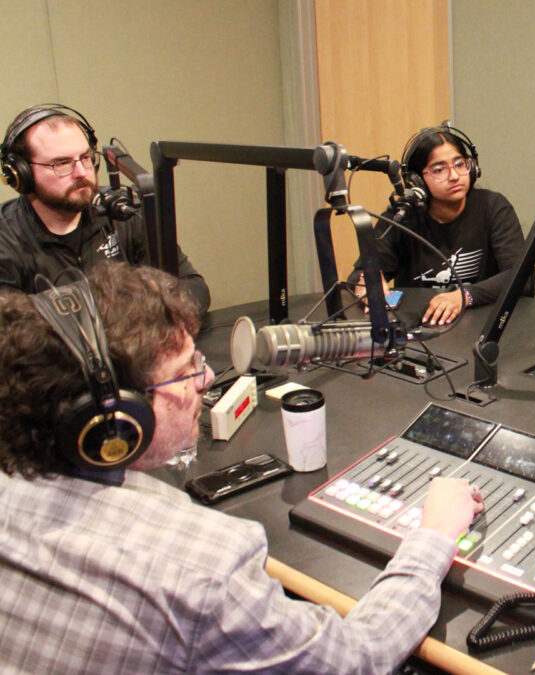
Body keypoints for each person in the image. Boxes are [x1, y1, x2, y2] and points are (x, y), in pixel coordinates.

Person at [0, 262, 483, 672]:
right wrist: (433, 537)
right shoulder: (203, 569)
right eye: (188, 370)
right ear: (119, 416)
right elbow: (359, 657)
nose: (208, 377)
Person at [0, 103, 210, 313]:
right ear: (21, 174)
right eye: (62, 163)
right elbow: (9, 332)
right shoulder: (6, 240)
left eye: (85, 157)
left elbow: (193, 289)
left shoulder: (123, 211)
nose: (82, 172)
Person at [351, 124, 524, 326]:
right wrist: (368, 284)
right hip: (423, 325)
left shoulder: (492, 207)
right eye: (439, 169)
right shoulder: (402, 216)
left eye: (460, 164)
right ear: (417, 180)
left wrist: (464, 296)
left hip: (483, 325)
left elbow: (520, 275)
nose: (454, 176)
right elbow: (361, 272)